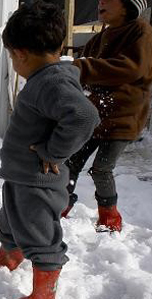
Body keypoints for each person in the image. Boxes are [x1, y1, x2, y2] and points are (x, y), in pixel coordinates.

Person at [0, 1, 100, 299]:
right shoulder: (47, 77)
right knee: (12, 221)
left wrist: (53, 152)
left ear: (20, 54)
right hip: (22, 176)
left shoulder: (51, 81)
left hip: (38, 182)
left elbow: (84, 116)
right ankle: (8, 257)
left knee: (40, 232)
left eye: (11, 57)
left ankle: (45, 294)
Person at [62, 0, 152, 232]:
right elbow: (83, 62)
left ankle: (109, 219)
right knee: (71, 161)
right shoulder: (102, 35)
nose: (100, 1)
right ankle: (58, 206)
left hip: (123, 116)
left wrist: (83, 67)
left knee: (101, 168)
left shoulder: (140, 30)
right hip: (97, 113)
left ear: (127, 6)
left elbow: (133, 67)